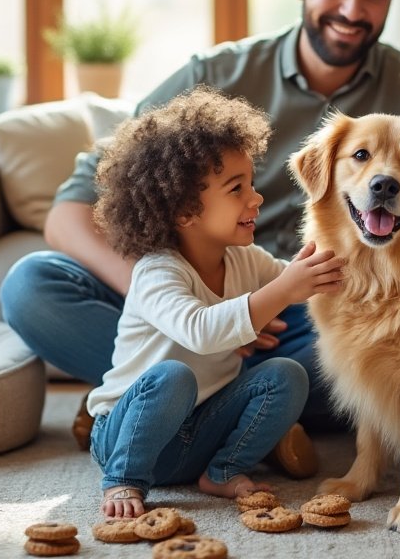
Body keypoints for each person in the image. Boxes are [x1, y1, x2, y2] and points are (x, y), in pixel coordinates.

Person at [0, 0, 400, 447]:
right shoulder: (215, 75)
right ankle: (230, 413)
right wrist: (191, 314)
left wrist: (258, 311)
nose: (352, 9)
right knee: (32, 286)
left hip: (307, 310)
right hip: (183, 300)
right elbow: (69, 211)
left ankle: (180, 412)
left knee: (375, 365)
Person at [86, 87, 345, 518]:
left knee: (286, 374)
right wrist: (285, 290)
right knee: (172, 376)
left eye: (252, 183)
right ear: (185, 211)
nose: (255, 198)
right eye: (236, 188)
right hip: (128, 434)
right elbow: (202, 331)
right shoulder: (156, 272)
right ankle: (122, 479)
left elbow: (301, 277)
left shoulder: (245, 259)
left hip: (197, 437)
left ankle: (223, 470)